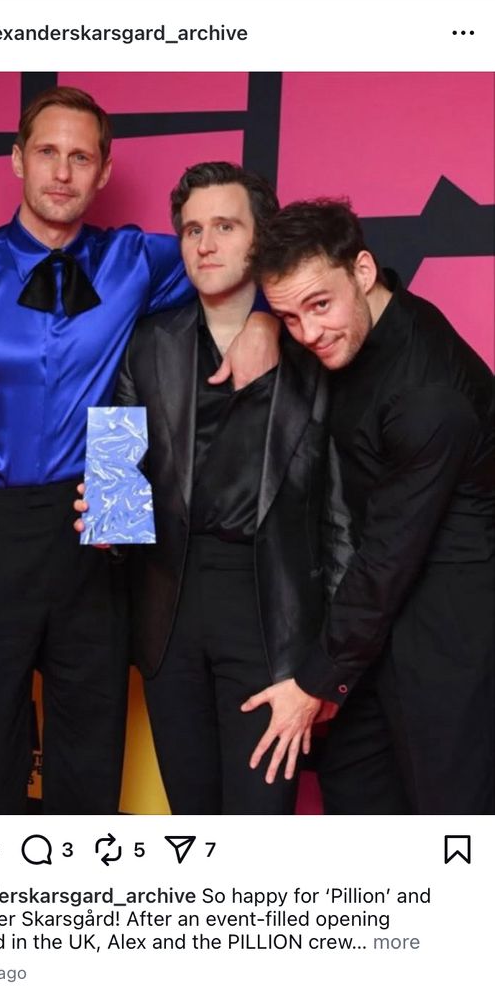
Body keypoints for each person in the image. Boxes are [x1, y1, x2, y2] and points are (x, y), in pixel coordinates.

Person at [0, 87, 277, 815]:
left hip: (98, 529)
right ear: (17, 159)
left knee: (89, 770)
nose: (63, 172)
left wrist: (261, 315)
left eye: (81, 156)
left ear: (103, 172)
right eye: (48, 152)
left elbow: (232, 256)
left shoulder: (136, 259)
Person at [76, 163, 331, 814]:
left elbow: (343, 514)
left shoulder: (311, 345)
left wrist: (328, 660)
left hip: (270, 618)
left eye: (224, 225)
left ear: (260, 237)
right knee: (193, 824)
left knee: (257, 828)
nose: (205, 244)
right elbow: (114, 476)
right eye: (191, 229)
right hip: (169, 616)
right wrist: (106, 524)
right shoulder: (145, 344)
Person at [250, 198, 495, 814]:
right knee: (357, 802)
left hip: (451, 624)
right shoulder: (361, 327)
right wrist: (258, 324)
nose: (308, 334)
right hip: (371, 619)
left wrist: (316, 680)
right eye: (289, 317)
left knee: (449, 820)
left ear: (362, 271)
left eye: (319, 305)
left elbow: (391, 552)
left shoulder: (426, 394)